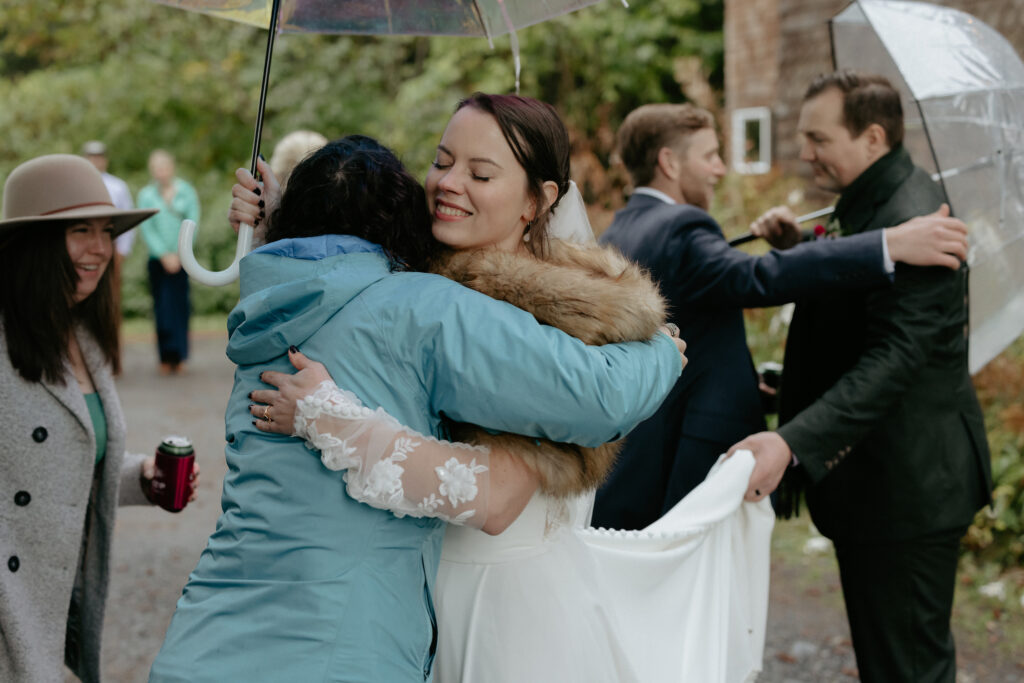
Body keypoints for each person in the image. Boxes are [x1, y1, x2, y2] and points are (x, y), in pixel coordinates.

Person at [240, 95, 774, 683]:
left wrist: (330, 419)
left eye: (481, 173)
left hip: (505, 610)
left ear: (537, 201)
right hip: (409, 596)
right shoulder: (412, 279)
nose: (448, 183)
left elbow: (497, 497)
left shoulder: (548, 321)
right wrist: (274, 220)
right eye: (443, 161)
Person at [148, 132, 684, 683]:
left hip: (202, 641)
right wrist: (663, 352)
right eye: (442, 164)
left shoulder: (266, 304)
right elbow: (598, 395)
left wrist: (269, 222)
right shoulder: (421, 308)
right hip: (336, 651)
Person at [590, 102, 971, 531]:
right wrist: (887, 244)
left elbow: (691, 322)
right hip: (693, 450)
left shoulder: (619, 229)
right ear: (669, 162)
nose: (720, 169)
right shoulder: (682, 225)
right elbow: (755, 276)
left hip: (644, 448)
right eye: (711, 155)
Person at [729, 71, 992, 683]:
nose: (804, 153)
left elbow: (892, 361)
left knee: (909, 668)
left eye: (818, 138)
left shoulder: (922, 221)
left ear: (873, 137)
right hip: (875, 483)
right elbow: (855, 282)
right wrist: (799, 246)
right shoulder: (871, 202)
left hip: (910, 486)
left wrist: (791, 440)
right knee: (886, 663)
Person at [0, 154, 198, 683]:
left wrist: (141, 480)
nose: (101, 249)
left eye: (107, 231)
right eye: (81, 231)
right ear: (37, 243)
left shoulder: (84, 338)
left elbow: (54, 470)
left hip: (54, 599)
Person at [136, 150, 199, 376]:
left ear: (172, 167)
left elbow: (193, 221)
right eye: (157, 167)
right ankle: (165, 356)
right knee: (162, 308)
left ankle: (181, 355)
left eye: (164, 166)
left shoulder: (186, 191)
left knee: (180, 307)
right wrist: (163, 254)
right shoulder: (146, 195)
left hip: (183, 259)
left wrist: (180, 254)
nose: (161, 171)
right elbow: (147, 228)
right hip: (158, 261)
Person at [81, 140, 137, 259]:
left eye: (99, 157)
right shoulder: (76, 185)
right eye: (91, 157)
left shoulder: (118, 186)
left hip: (112, 245)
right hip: (82, 245)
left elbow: (127, 217)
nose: (95, 161)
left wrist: (122, 251)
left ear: (105, 160)